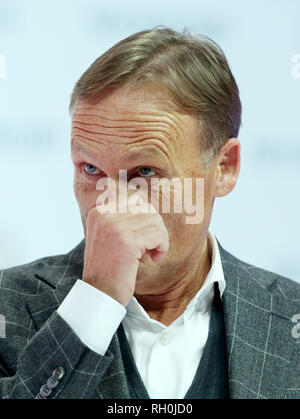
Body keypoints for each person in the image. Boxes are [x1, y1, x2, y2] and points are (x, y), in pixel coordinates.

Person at [0, 27, 299, 400]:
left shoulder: (291, 318)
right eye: (90, 169)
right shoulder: (6, 308)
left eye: (145, 172)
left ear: (224, 167)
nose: (109, 207)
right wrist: (94, 301)